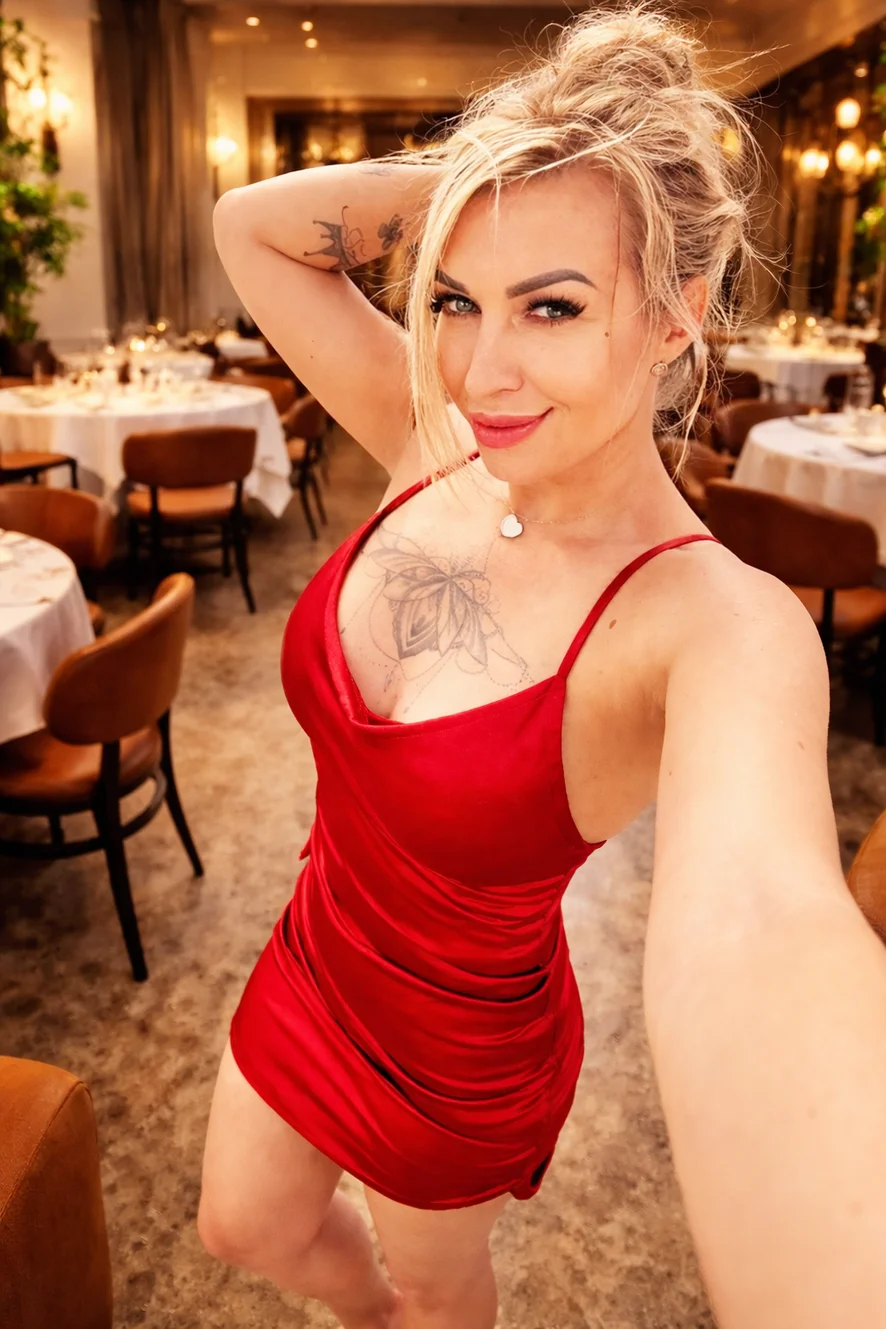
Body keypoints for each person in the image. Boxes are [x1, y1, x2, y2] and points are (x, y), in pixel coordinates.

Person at [198, 7, 886, 1328]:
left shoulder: (713, 622)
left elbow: (765, 925)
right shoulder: (435, 442)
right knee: (243, 1225)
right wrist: (524, 176)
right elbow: (251, 226)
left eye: (553, 305)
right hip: (312, 951)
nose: (480, 368)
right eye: (456, 299)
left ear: (677, 313)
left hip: (450, 1054)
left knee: (437, 1297)